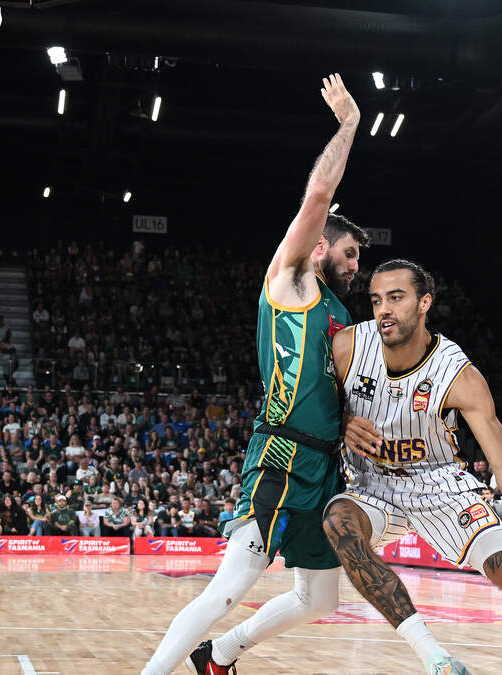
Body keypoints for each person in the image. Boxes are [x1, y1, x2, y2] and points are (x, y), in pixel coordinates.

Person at [272, 259, 502, 673]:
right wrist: (343, 422)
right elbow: (311, 408)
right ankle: (434, 657)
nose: (383, 309)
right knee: (339, 519)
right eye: (375, 301)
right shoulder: (348, 347)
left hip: (442, 488)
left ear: (425, 302)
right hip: (372, 486)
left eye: (396, 298)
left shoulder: (457, 374)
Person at [143, 73, 367, 675]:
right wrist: (347, 124)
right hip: (283, 456)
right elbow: (319, 195)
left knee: (319, 597)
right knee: (227, 588)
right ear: (320, 246)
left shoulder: (341, 314)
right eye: (349, 253)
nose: (356, 265)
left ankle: (220, 653)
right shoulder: (291, 283)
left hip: (323, 466)